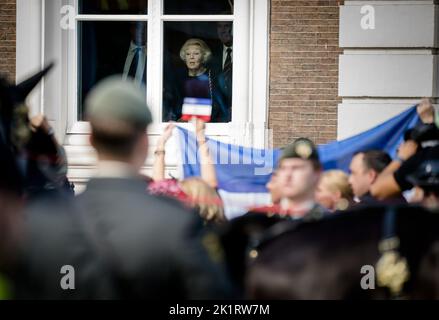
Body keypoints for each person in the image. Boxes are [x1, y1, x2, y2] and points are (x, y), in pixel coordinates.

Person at [76, 76, 233, 298]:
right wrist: (197, 140)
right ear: (143, 142)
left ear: (89, 138)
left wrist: (163, 147)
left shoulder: (45, 220)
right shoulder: (177, 223)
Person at [150, 119, 226, 225]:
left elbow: (158, 184)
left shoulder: (173, 222)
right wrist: (200, 137)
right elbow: (210, 182)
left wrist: (161, 144)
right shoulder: (215, 228)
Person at [163, 38, 230, 122]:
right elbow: (172, 107)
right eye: (188, 54)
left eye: (196, 54)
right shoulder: (178, 79)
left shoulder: (214, 78)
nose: (191, 57)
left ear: (204, 57)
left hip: (210, 127)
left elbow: (222, 109)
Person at [371, 123, 439, 201]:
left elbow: (377, 190)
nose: (400, 146)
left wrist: (401, 158)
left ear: (413, 146)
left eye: (406, 143)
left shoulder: (418, 162)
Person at [210, 21, 233, 108]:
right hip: (218, 109)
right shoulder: (213, 52)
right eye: (219, 26)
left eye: (226, 26)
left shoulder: (245, 53)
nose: (222, 30)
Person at [122, 21, 147, 87]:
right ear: (131, 29)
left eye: (145, 27)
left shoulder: (155, 55)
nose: (141, 31)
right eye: (138, 27)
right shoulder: (119, 50)